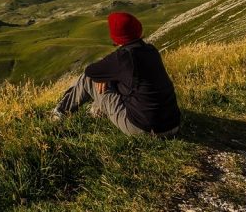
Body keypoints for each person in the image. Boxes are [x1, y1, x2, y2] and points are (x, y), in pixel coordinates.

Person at [51, 12, 181, 137]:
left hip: (144, 130)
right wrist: (107, 77)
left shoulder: (123, 57)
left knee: (89, 79)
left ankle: (59, 113)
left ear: (117, 36)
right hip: (173, 125)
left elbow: (90, 71)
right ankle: (97, 110)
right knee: (112, 80)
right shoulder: (151, 50)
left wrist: (103, 77)